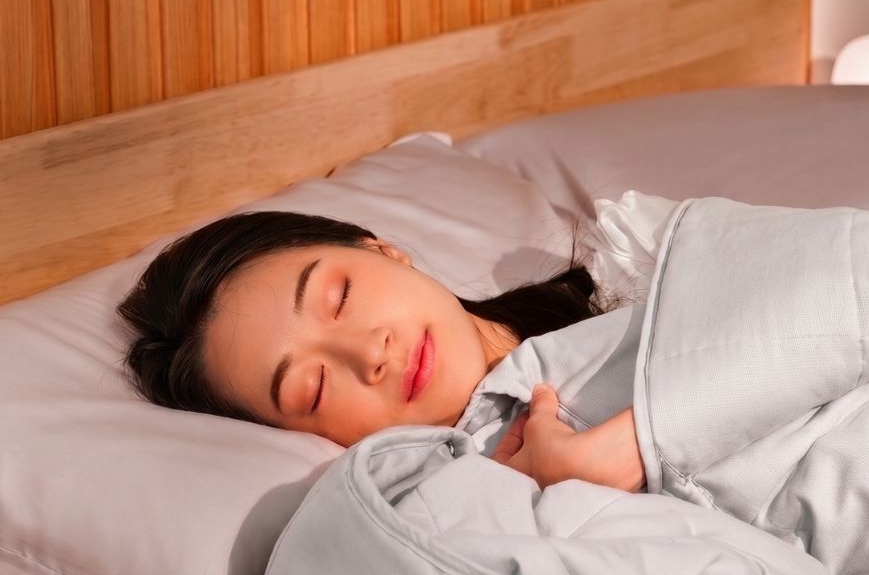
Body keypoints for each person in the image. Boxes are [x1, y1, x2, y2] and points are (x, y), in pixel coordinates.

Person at [118, 209, 646, 492]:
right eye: (313, 387)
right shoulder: (449, 525)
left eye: (340, 297)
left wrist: (639, 440)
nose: (370, 353)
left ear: (382, 251)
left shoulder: (645, 270)